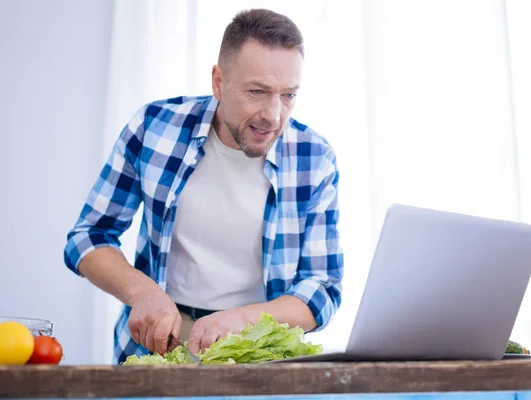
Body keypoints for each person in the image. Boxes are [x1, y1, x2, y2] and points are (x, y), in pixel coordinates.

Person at [63, 8, 344, 364]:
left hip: (257, 350)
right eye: (257, 91)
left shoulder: (314, 158)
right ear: (218, 81)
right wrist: (141, 292)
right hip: (156, 346)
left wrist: (243, 319)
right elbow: (88, 236)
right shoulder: (154, 127)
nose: (274, 115)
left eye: (288, 95)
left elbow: (322, 287)